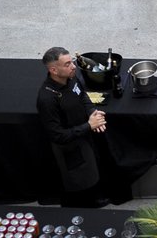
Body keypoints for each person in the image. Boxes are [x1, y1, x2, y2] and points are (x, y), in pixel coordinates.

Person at [36, 47, 108, 207]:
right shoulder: (47, 99)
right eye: (67, 64)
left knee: (92, 168)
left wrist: (92, 113)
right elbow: (57, 136)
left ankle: (96, 198)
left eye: (72, 62)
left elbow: (84, 96)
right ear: (54, 70)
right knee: (79, 178)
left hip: (85, 134)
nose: (74, 66)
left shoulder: (72, 78)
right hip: (69, 147)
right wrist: (88, 126)